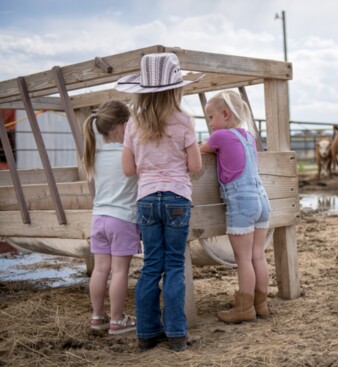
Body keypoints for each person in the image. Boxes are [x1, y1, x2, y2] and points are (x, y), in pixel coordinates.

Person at [116, 53, 202, 352]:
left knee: (151, 266)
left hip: (147, 199)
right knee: (175, 265)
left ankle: (147, 334)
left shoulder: (133, 124)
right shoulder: (184, 121)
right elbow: (195, 165)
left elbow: (128, 169)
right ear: (176, 89)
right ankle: (176, 335)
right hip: (178, 196)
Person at [199, 90, 271, 324]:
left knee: (243, 259)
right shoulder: (249, 137)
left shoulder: (220, 137)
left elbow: (197, 151)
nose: (210, 124)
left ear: (226, 114)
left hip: (241, 202)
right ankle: (261, 304)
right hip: (262, 199)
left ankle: (244, 308)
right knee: (258, 256)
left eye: (211, 118)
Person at [82, 100, 139, 335]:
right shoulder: (129, 152)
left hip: (98, 218)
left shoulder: (95, 151)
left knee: (100, 270)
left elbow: (100, 124)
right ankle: (117, 320)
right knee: (119, 271)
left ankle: (97, 316)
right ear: (124, 125)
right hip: (122, 219)